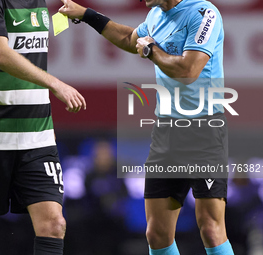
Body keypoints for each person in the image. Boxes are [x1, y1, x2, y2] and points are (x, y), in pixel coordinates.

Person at [59, 0, 234, 254]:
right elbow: (130, 38)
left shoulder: (204, 13)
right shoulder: (155, 15)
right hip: (166, 132)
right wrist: (86, 14)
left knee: (210, 227)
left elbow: (189, 69)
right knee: (156, 233)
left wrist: (152, 51)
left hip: (204, 130)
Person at [0, 0, 86, 254]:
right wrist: (56, 84)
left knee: (54, 224)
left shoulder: (40, 2)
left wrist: (83, 16)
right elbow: (0, 54)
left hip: (38, 136)